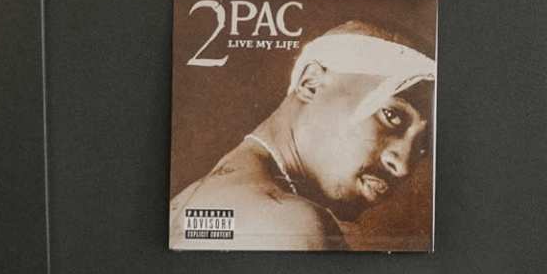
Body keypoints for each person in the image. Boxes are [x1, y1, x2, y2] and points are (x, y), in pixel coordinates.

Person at [173, 22, 432, 249]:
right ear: (311, 84)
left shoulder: (196, 201)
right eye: (391, 116)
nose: (403, 165)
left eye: (424, 144)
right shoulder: (288, 223)